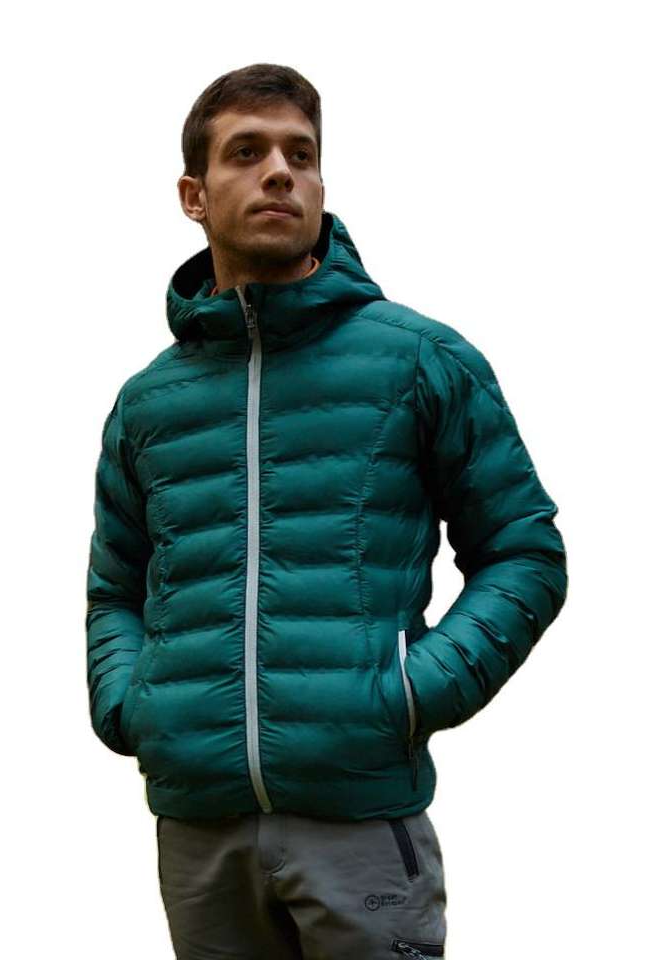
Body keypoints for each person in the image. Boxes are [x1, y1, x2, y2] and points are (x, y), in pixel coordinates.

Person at [85, 62, 568, 960]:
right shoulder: (147, 404)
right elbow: (116, 585)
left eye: (300, 155)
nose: (281, 172)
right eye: (247, 153)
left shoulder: (419, 361)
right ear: (194, 195)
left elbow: (524, 551)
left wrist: (412, 692)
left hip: (360, 824)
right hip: (198, 832)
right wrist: (130, 704)